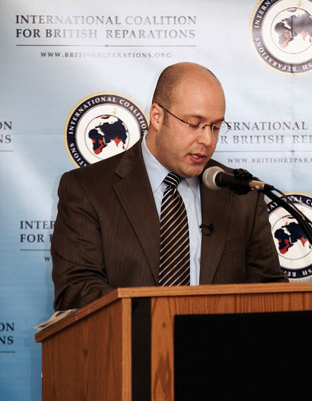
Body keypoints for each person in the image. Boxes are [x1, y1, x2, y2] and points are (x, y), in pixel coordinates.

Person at [51, 62, 287, 310]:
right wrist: (162, 321)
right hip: (129, 345)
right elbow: (76, 290)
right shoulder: (87, 189)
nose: (207, 140)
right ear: (157, 116)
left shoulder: (240, 193)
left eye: (215, 127)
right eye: (194, 124)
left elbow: (270, 288)